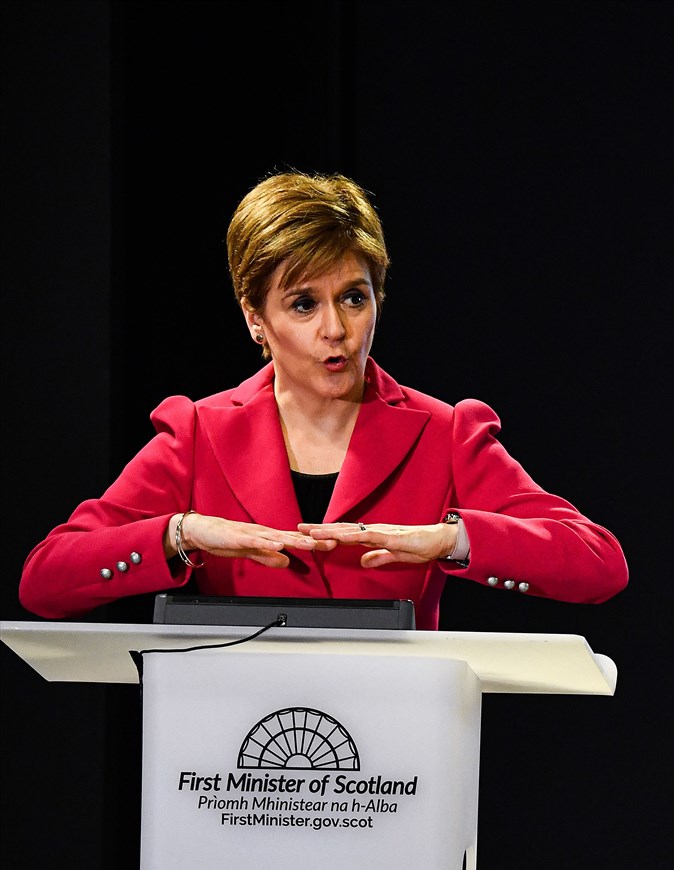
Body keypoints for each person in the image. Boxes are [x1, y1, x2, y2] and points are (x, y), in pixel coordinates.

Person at [18, 171, 626, 630]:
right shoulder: (198, 434)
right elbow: (45, 580)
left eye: (354, 298)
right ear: (256, 319)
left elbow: (599, 563)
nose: (335, 328)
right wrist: (182, 533)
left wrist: (452, 539)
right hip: (236, 770)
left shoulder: (445, 433)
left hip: (389, 769)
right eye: (304, 304)